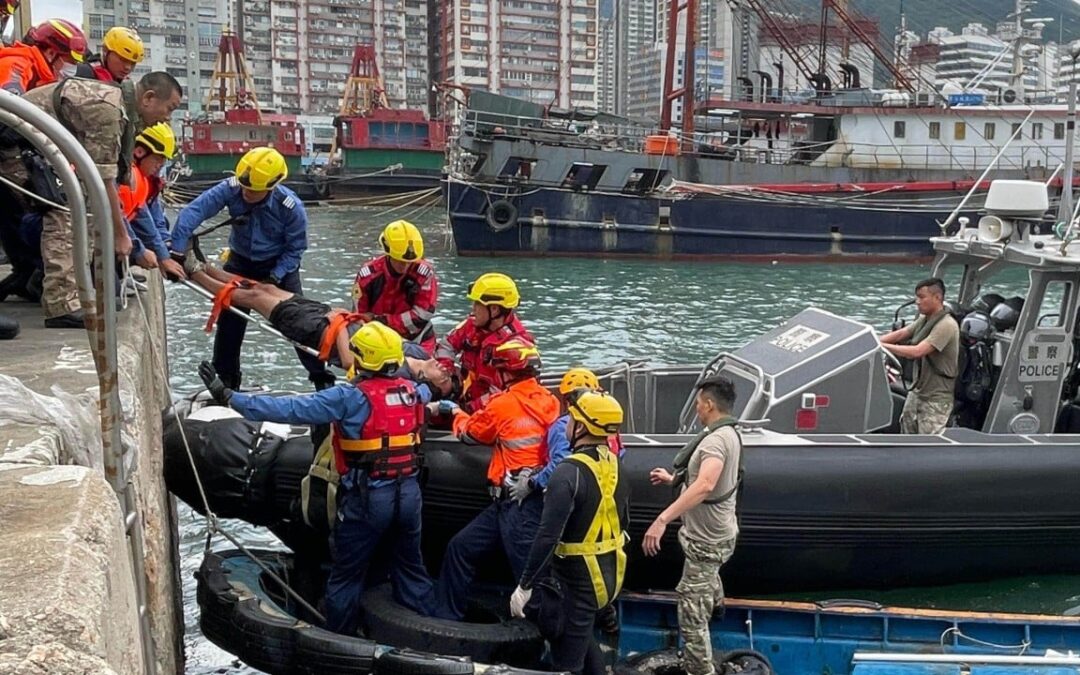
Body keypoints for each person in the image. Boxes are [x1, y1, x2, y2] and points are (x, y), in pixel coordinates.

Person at [197, 322, 436, 635]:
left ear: (363, 360)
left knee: (346, 575)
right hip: (408, 496)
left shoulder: (350, 398)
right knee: (411, 569)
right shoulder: (413, 392)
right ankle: (426, 635)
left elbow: (291, 408)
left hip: (367, 499)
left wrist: (230, 397)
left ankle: (340, 640)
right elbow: (428, 390)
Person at [1, 71, 181, 327]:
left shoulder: (120, 108)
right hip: (13, 145)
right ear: (149, 98)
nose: (167, 117)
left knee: (82, 205)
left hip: (36, 146)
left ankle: (44, 281)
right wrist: (121, 235)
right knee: (62, 209)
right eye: (169, 108)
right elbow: (102, 181)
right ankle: (61, 305)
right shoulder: (109, 110)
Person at [170, 147, 332, 390]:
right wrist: (177, 251)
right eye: (245, 187)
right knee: (230, 324)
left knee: (299, 324)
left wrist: (273, 277)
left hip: (279, 268)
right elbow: (194, 212)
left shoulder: (291, 207)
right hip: (240, 261)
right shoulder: (231, 187)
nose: (246, 193)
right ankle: (226, 382)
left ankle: (321, 380)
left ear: (271, 187)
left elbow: (295, 249)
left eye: (253, 190)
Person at [177, 254, 455, 393]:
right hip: (337, 318)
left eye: (443, 379)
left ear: (424, 380)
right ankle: (207, 267)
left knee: (253, 299)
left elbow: (349, 363)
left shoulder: (400, 372)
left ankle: (194, 274)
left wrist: (341, 325)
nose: (444, 372)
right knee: (266, 289)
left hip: (323, 332)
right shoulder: (419, 353)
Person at [427, 336, 560, 621]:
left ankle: (545, 642)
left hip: (518, 506)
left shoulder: (503, 404)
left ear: (506, 372)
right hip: (516, 500)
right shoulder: (549, 401)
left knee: (530, 579)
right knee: (460, 548)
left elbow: (471, 433)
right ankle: (448, 620)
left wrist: (455, 412)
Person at [510, 390, 629, 675]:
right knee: (583, 635)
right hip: (609, 575)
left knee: (567, 662)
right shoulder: (616, 465)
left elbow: (547, 536)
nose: (564, 424)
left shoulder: (568, 472)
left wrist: (525, 585)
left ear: (582, 427)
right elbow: (622, 522)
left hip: (576, 581)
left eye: (571, 419)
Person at [644, 376, 742, 675]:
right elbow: (711, 481)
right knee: (708, 575)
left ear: (710, 405)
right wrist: (674, 480)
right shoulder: (729, 433)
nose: (697, 410)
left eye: (699, 404)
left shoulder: (714, 442)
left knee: (690, 613)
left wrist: (662, 520)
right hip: (722, 531)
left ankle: (700, 669)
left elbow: (706, 483)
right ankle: (716, 604)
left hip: (707, 540)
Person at [434, 272, 534, 411]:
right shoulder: (473, 325)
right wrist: (446, 370)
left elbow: (505, 397)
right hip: (465, 393)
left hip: (489, 413)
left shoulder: (515, 348)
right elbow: (447, 345)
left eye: (477, 304)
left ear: (494, 309)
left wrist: (464, 409)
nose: (473, 308)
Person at [879, 277, 959, 434]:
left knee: (928, 444)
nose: (917, 301)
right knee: (906, 433)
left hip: (935, 399)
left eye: (922, 297)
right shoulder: (924, 320)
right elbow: (902, 333)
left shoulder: (946, 325)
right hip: (917, 392)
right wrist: (872, 339)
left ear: (937, 297)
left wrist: (881, 346)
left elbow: (918, 351)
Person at [352, 219, 439, 354]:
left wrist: (381, 320)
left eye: (409, 262)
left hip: (417, 339)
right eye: (400, 261)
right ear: (388, 253)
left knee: (423, 371)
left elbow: (422, 316)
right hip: (378, 342)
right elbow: (359, 317)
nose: (404, 266)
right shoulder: (367, 276)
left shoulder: (424, 274)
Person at [118, 123, 185, 278]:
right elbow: (138, 223)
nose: (160, 165)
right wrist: (142, 251)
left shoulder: (144, 181)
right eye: (157, 159)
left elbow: (152, 219)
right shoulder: (127, 181)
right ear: (139, 152)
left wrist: (166, 249)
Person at [0, 19, 85, 95]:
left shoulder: (43, 76)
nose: (74, 67)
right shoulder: (17, 68)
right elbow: (7, 108)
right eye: (72, 61)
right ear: (51, 53)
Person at [76, 26, 143, 83]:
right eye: (123, 59)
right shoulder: (83, 74)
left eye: (133, 63)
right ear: (106, 50)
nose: (128, 67)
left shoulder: (124, 83)